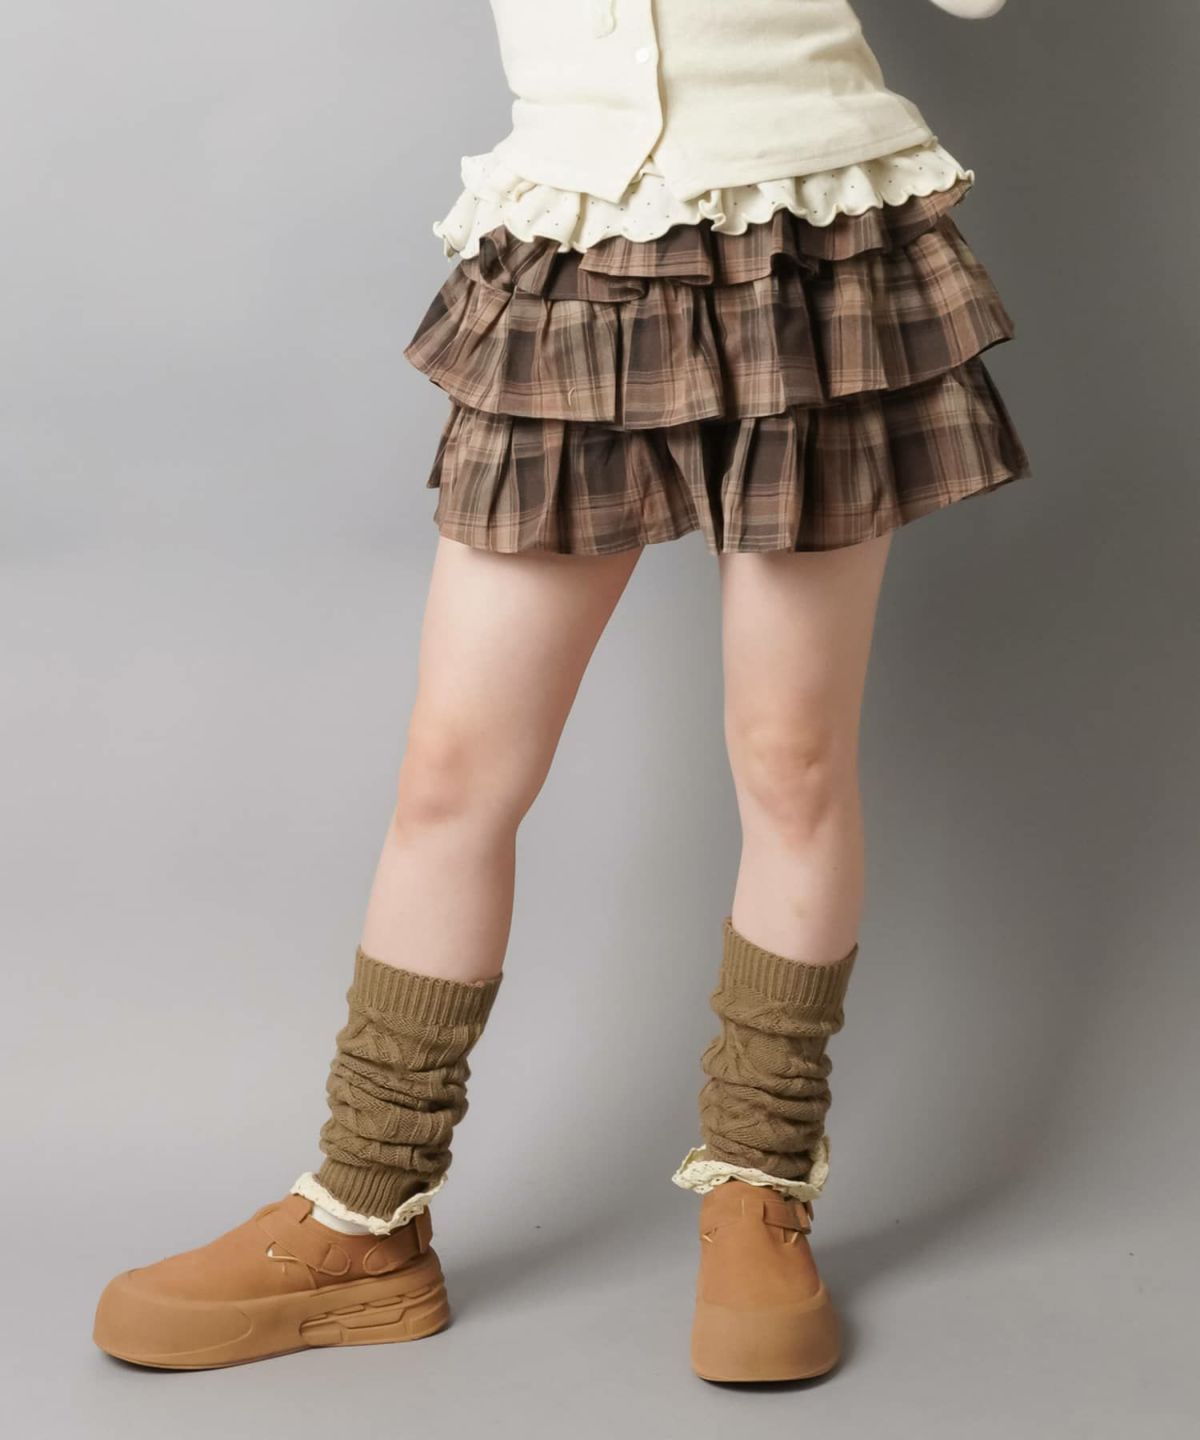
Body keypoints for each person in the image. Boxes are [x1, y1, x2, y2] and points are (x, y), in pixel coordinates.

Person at [93, 0, 1028, 1382]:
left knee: (791, 759)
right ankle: (365, 1217)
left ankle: (759, 1189)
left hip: (810, 241)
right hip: (577, 241)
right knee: (453, 772)